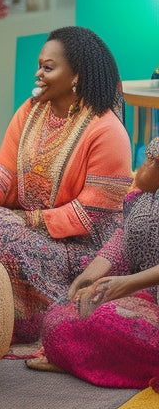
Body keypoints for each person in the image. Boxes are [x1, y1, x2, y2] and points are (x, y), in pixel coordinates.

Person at [0, 26, 133, 343]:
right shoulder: (29, 113)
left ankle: (31, 315)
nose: (38, 74)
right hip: (26, 227)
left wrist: (29, 221)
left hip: (83, 247)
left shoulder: (106, 130)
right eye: (39, 65)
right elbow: (3, 172)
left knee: (10, 236)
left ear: (76, 75)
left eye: (48, 67)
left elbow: (92, 214)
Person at [29, 136, 159, 387]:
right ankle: (82, 358)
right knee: (59, 315)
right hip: (141, 296)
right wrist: (88, 278)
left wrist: (127, 284)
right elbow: (121, 243)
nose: (139, 169)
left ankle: (82, 360)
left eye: (147, 163)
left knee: (107, 318)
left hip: (144, 294)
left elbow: (126, 282)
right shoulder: (139, 200)